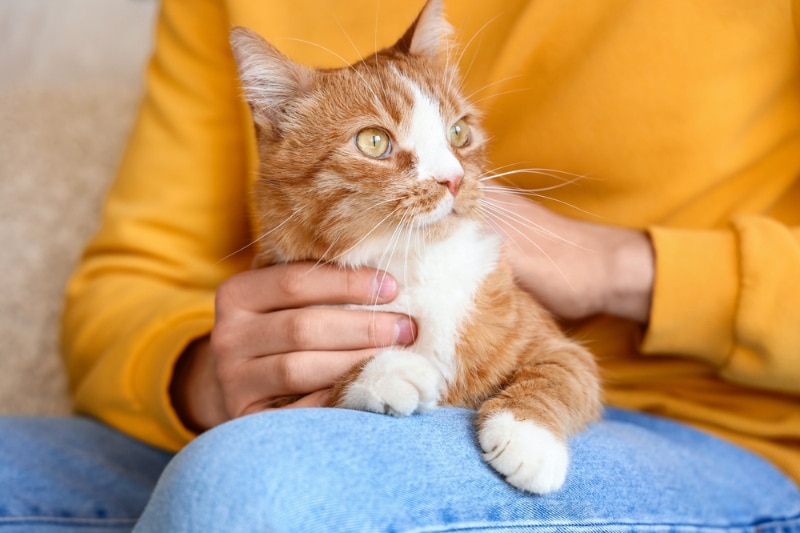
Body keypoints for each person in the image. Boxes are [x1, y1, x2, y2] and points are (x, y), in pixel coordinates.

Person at [2, 0, 799, 530]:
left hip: (696, 431)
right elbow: (128, 276)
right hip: (281, 421)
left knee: (252, 489)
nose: (450, 170)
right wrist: (210, 375)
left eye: (455, 138)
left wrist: (628, 268)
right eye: (379, 143)